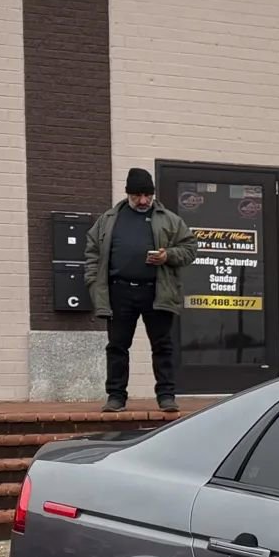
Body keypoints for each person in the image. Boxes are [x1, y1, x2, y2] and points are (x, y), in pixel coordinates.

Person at [84, 169, 196, 412]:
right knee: (117, 346)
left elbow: (190, 248)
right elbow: (92, 253)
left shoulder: (169, 219)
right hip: (119, 292)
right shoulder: (108, 219)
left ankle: (166, 396)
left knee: (162, 346)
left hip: (157, 292)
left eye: (147, 195)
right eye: (137, 196)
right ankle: (116, 397)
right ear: (128, 194)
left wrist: (168, 255)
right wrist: (93, 284)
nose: (143, 201)